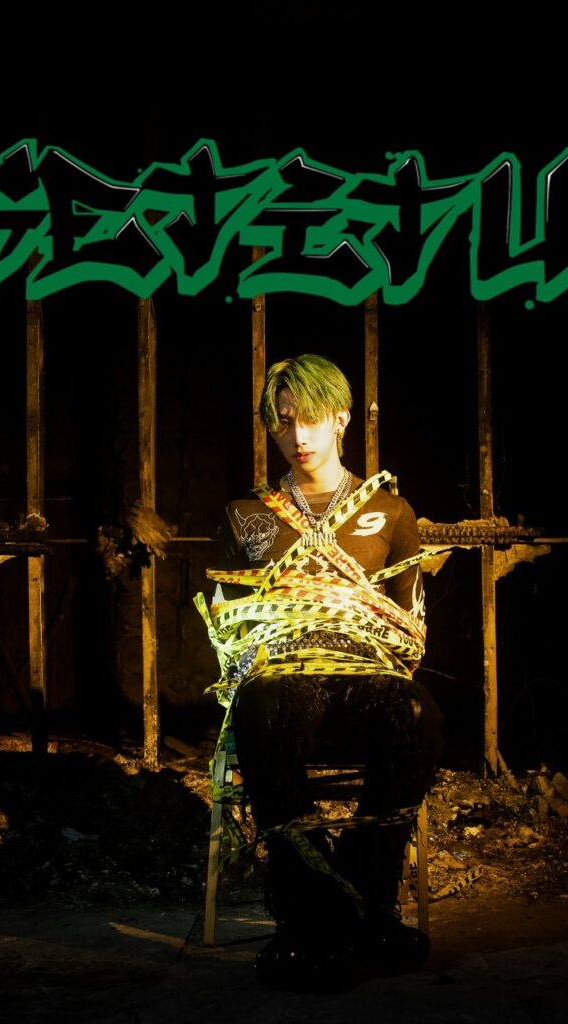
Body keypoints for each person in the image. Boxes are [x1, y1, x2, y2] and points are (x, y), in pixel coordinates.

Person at [198, 353, 443, 988]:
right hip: (282, 673)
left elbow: (409, 624)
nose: (297, 436)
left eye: (309, 418)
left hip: (366, 671)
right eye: (283, 422)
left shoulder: (390, 511)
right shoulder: (245, 514)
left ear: (341, 418)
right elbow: (230, 624)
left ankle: (368, 897)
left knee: (416, 711)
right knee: (262, 707)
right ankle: (308, 916)